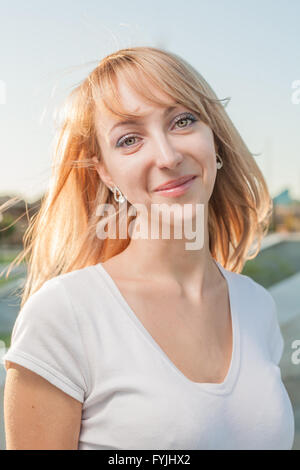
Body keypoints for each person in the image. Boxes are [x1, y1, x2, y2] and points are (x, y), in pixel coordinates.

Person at [2, 46, 295, 450]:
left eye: (183, 120)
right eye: (129, 139)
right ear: (105, 171)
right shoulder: (63, 315)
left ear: (215, 138)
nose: (168, 155)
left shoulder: (257, 306)